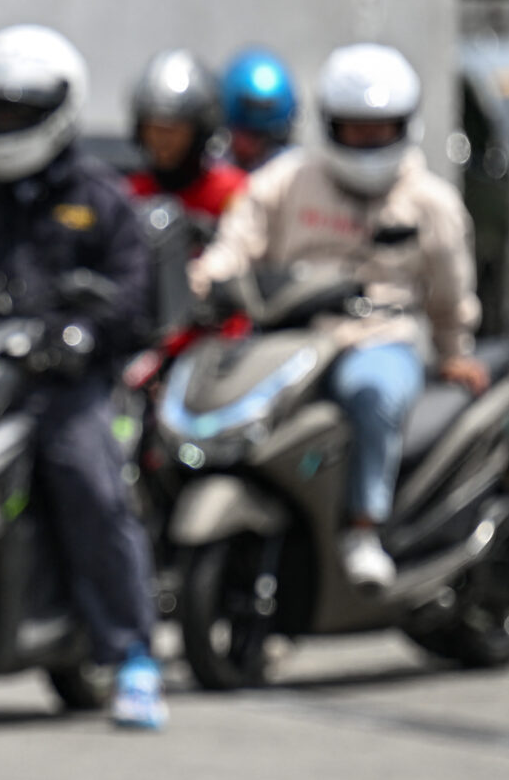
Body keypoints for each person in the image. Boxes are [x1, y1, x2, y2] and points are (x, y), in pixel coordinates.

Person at [0, 26, 167, 732]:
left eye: (16, 111)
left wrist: (84, 331)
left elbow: (134, 294)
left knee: (87, 477)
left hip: (67, 385)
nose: (0, 123)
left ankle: (132, 657)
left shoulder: (101, 199)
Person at [190, 43, 485, 591]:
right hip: (289, 339)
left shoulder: (431, 202)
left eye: (379, 130)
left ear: (404, 126)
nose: (367, 141)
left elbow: (450, 292)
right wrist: (207, 281)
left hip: (379, 341)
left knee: (373, 395)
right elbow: (235, 246)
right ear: (329, 125)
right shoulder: (285, 181)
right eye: (354, 129)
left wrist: (454, 352)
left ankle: (363, 528)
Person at [127, 49, 247, 223]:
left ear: (200, 131)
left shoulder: (233, 194)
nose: (162, 140)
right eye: (154, 128)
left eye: (173, 130)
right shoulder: (130, 195)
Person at [219, 45, 299, 174]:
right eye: (245, 133)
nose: (249, 147)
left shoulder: (291, 170)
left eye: (261, 137)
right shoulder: (215, 170)